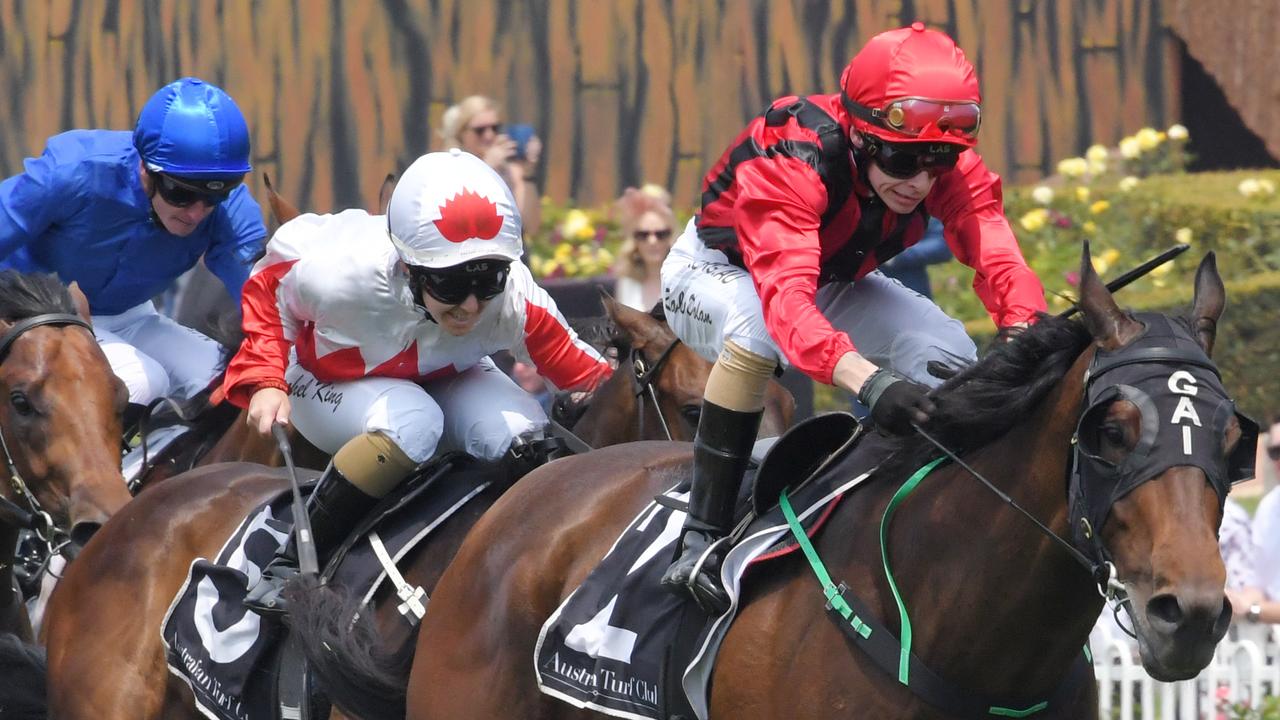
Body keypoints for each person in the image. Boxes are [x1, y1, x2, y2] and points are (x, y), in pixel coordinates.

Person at [659, 23, 1047, 613]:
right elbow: (784, 300)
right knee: (760, 331)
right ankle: (701, 534)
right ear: (862, 137)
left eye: (939, 160)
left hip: (827, 278)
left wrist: (1024, 330)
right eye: (902, 158)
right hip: (720, 271)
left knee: (945, 347)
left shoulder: (940, 167)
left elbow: (997, 252)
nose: (920, 182)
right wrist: (869, 382)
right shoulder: (796, 150)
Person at [218, 149, 612, 614]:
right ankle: (292, 564)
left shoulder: (515, 297)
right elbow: (267, 289)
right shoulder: (339, 274)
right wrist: (266, 377)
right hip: (323, 380)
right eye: (450, 284)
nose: (470, 305)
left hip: (447, 375)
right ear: (409, 267)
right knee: (413, 421)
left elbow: (596, 383)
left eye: (487, 281)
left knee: (523, 435)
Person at [0, 77, 266, 428]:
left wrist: (268, 377)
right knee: (141, 383)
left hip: (132, 315)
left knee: (224, 382)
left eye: (215, 195)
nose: (197, 212)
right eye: (181, 193)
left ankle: (162, 479)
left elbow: (263, 306)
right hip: (36, 315)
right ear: (145, 168)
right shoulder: (72, 172)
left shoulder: (231, 213)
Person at [438, 95, 542, 236]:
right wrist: (487, 168)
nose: (489, 136)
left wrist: (528, 172)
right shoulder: (449, 169)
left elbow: (530, 227)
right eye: (480, 130)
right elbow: (458, 220)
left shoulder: (511, 170)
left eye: (495, 128)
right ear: (461, 134)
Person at [613, 185, 677, 311]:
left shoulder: (683, 282)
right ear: (634, 240)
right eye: (643, 235)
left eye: (661, 234)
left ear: (671, 237)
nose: (652, 241)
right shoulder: (626, 283)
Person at [877, 215, 952, 298]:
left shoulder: (922, 206)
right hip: (865, 291)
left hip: (909, 290)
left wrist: (896, 254)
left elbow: (942, 246)